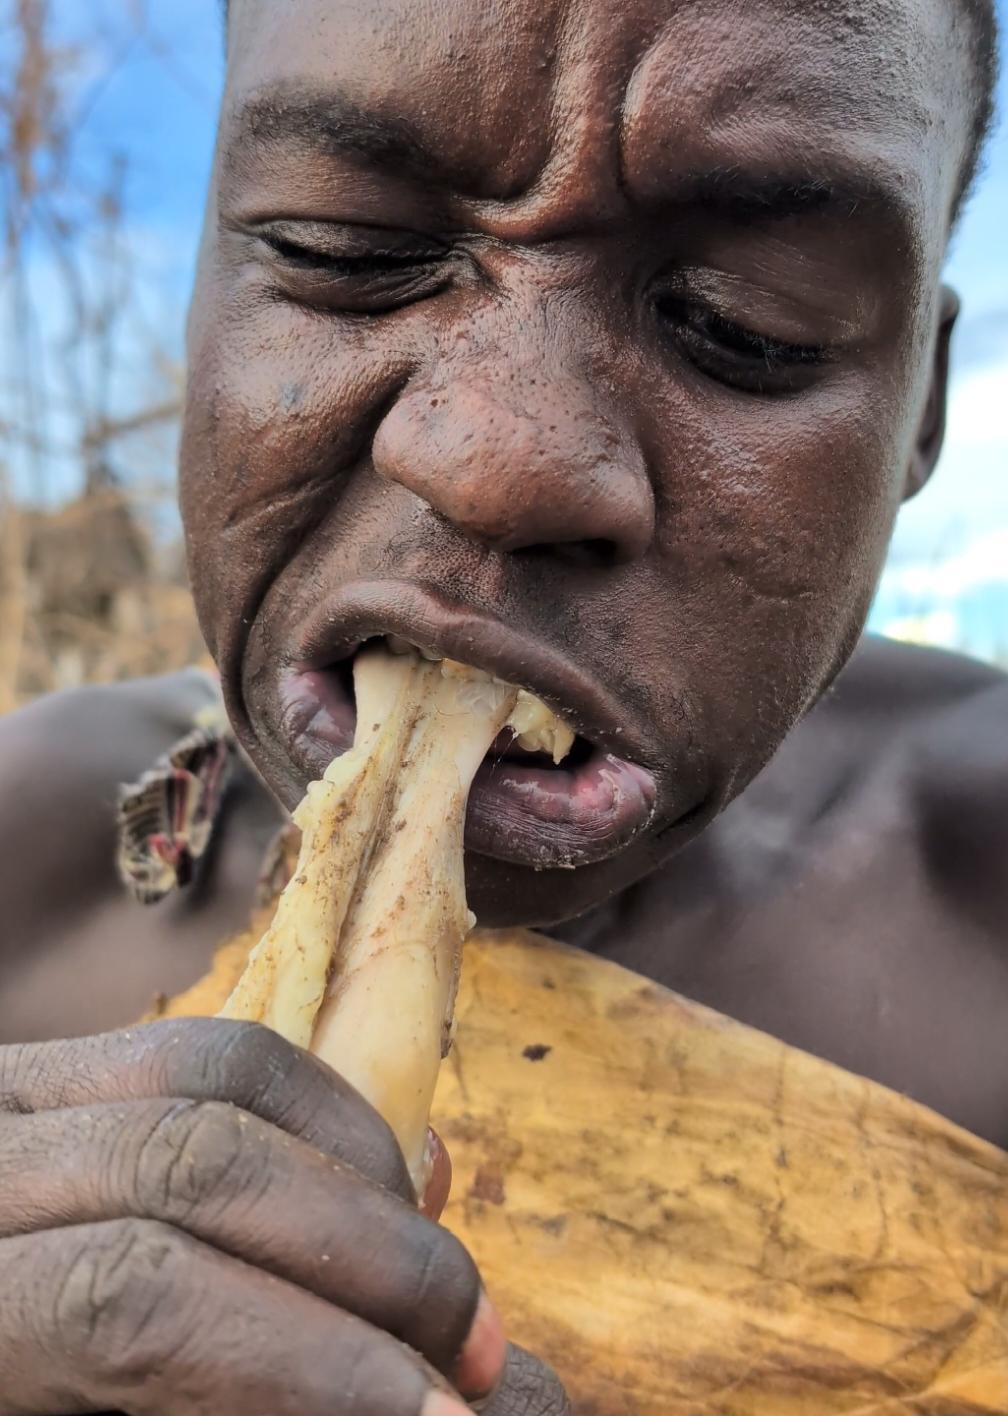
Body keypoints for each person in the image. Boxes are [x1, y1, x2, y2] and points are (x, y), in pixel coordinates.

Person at [0, 0, 1003, 1411]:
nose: (500, 458)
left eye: (745, 328)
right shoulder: (32, 852)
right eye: (344, 252)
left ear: (919, 416)